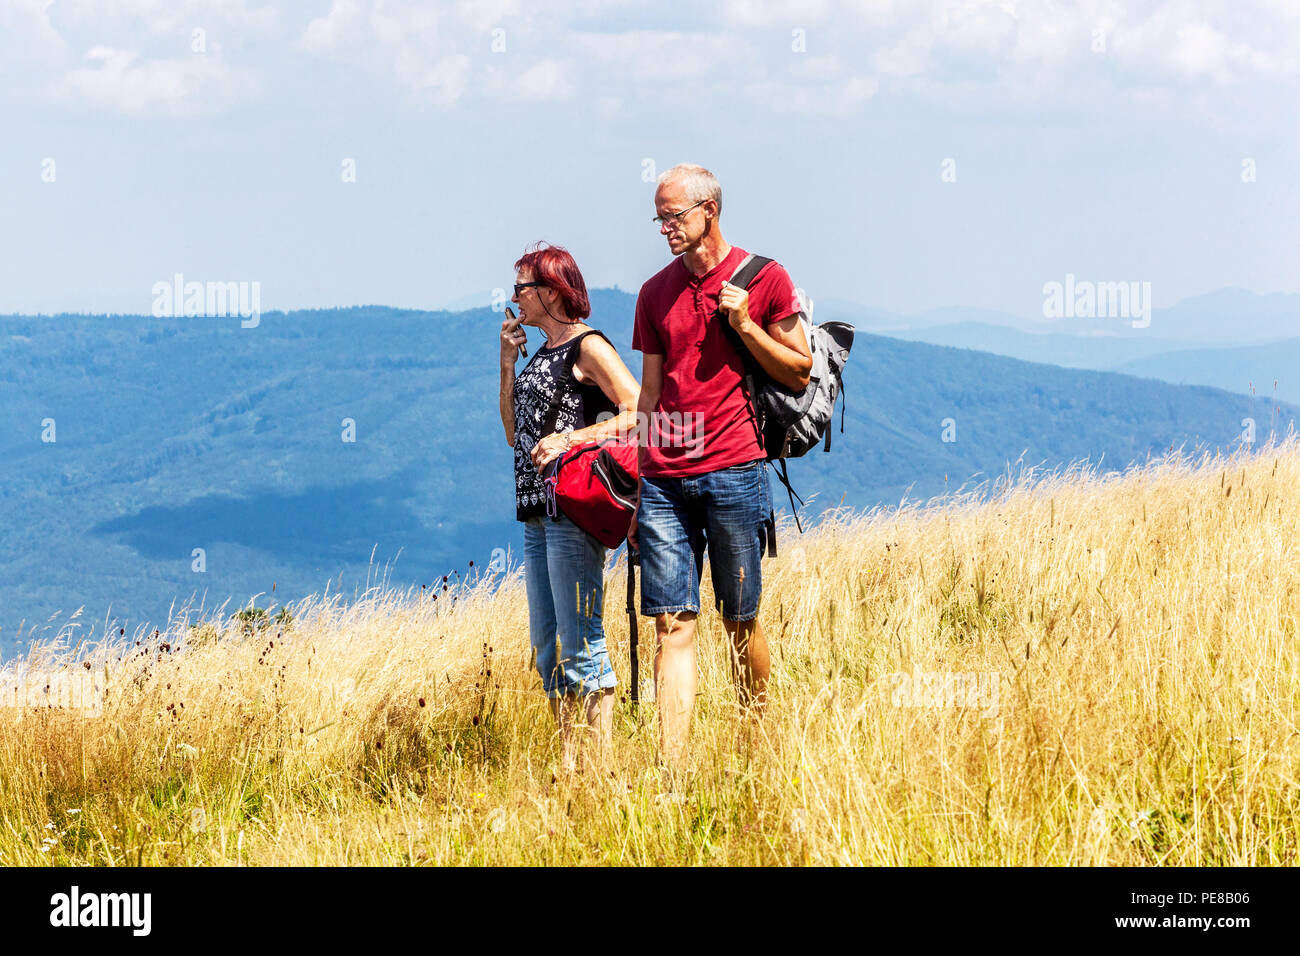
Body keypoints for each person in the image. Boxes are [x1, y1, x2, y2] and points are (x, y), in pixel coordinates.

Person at [629, 164, 812, 767]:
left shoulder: (766, 279)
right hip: (665, 480)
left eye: (673, 216)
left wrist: (745, 324)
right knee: (671, 625)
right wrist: (639, 480)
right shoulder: (654, 294)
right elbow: (650, 393)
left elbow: (799, 369)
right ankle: (673, 772)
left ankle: (754, 746)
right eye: (658, 219)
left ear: (709, 210)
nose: (665, 229)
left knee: (740, 620)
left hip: (736, 468)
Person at [499, 242, 641, 770]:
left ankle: (599, 766)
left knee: (581, 638)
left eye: (521, 287)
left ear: (552, 291)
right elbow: (514, 433)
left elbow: (638, 410)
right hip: (535, 508)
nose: (514, 297)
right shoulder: (540, 352)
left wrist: (571, 440)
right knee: (546, 645)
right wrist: (507, 362)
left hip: (571, 507)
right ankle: (569, 759)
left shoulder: (587, 346)